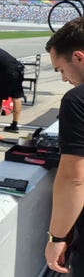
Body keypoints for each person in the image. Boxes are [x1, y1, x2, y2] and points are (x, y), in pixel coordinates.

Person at [44, 17, 84, 275]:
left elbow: (74, 178)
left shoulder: (76, 100)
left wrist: (56, 238)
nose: (63, 79)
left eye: (60, 69)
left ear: (79, 57)